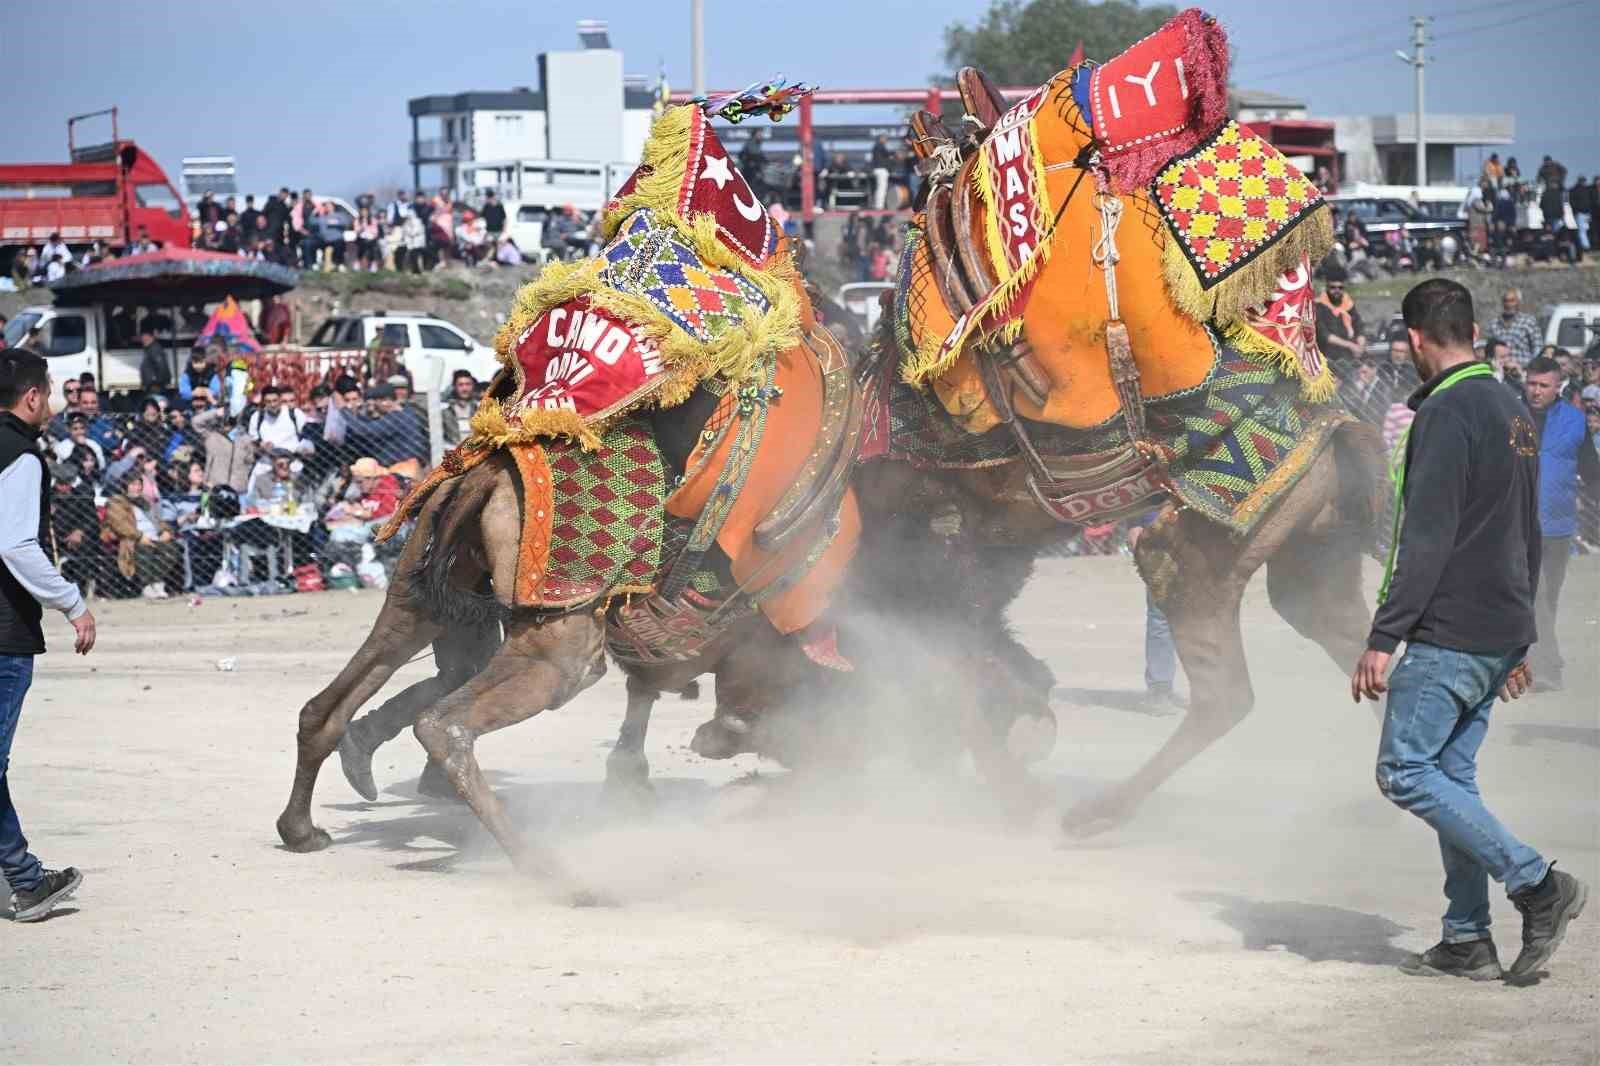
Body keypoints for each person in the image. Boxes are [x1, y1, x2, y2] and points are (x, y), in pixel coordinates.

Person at [1353, 279, 1588, 982]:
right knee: (1451, 776)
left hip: (1449, 629)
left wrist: (1383, 635)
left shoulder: (1447, 411)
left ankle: (1538, 885)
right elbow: (1529, 527)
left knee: (1404, 771)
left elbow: (1424, 536)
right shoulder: (1513, 406)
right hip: (1496, 630)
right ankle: (1466, 937)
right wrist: (1522, 636)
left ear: (1416, 340)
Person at [0, 348, 95, 923]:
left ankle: (26, 876)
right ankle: (27, 881)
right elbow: (15, 545)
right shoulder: (22, 455)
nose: (53, 404)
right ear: (32, 396)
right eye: (51, 393)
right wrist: (72, 603)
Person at [1520, 356, 1599, 692]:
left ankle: (1526, 658)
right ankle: (1549, 668)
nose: (1536, 391)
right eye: (1531, 383)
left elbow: (1592, 473)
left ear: (1558, 387)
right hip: (1519, 524)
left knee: (1548, 597)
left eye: (1543, 385)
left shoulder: (1575, 422)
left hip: (1559, 525)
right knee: (1534, 594)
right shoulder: (1510, 416)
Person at [1314, 274, 1365, 370]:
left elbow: (1359, 325)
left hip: (1350, 353)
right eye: (1333, 287)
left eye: (1340, 288)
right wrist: (1351, 345)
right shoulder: (1319, 306)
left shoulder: (1348, 304)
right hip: (1328, 355)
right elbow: (1325, 336)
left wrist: (1360, 345)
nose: (1337, 290)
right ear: (1327, 288)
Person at [1482, 289, 1541, 365]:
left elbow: (1537, 348)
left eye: (1512, 301)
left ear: (1519, 302)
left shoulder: (1529, 322)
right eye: (1506, 301)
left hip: (1523, 370)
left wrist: (1532, 367)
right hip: (1500, 371)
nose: (1509, 304)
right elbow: (1488, 350)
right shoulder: (1494, 324)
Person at [441, 369, 478, 446]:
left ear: (473, 386)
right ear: (454, 387)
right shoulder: (445, 411)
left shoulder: (480, 409)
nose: (465, 388)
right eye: (460, 385)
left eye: (468, 384)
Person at [138, 327, 172, 395]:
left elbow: (162, 367)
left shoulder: (155, 349)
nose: (142, 339)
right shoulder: (149, 349)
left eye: (145, 337)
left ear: (151, 337)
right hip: (151, 386)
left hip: (155, 387)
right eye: (142, 337)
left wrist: (156, 383)